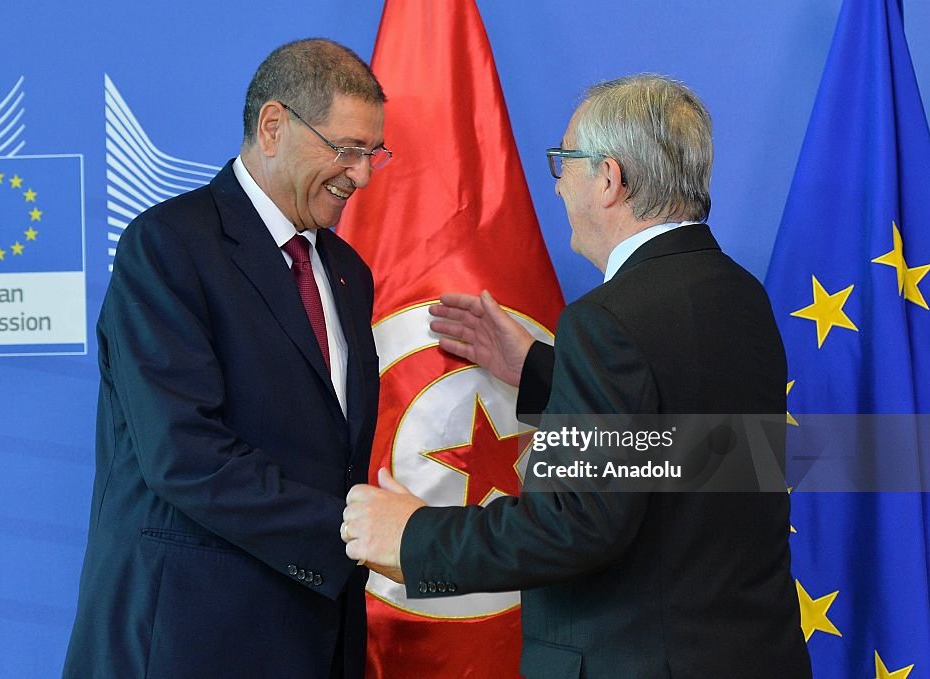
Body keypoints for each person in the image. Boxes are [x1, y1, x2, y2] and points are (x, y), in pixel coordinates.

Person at [341, 75, 812, 678]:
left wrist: (413, 536)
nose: (559, 184)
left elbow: (576, 524)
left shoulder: (607, 321)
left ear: (609, 179)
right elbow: (686, 448)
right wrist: (543, 371)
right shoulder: (740, 295)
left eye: (564, 162)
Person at [64, 39, 387, 679]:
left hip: (319, 635)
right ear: (273, 126)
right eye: (347, 149)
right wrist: (355, 536)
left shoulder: (347, 270)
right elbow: (184, 453)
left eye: (373, 153)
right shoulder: (168, 247)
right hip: (192, 638)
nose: (363, 174)